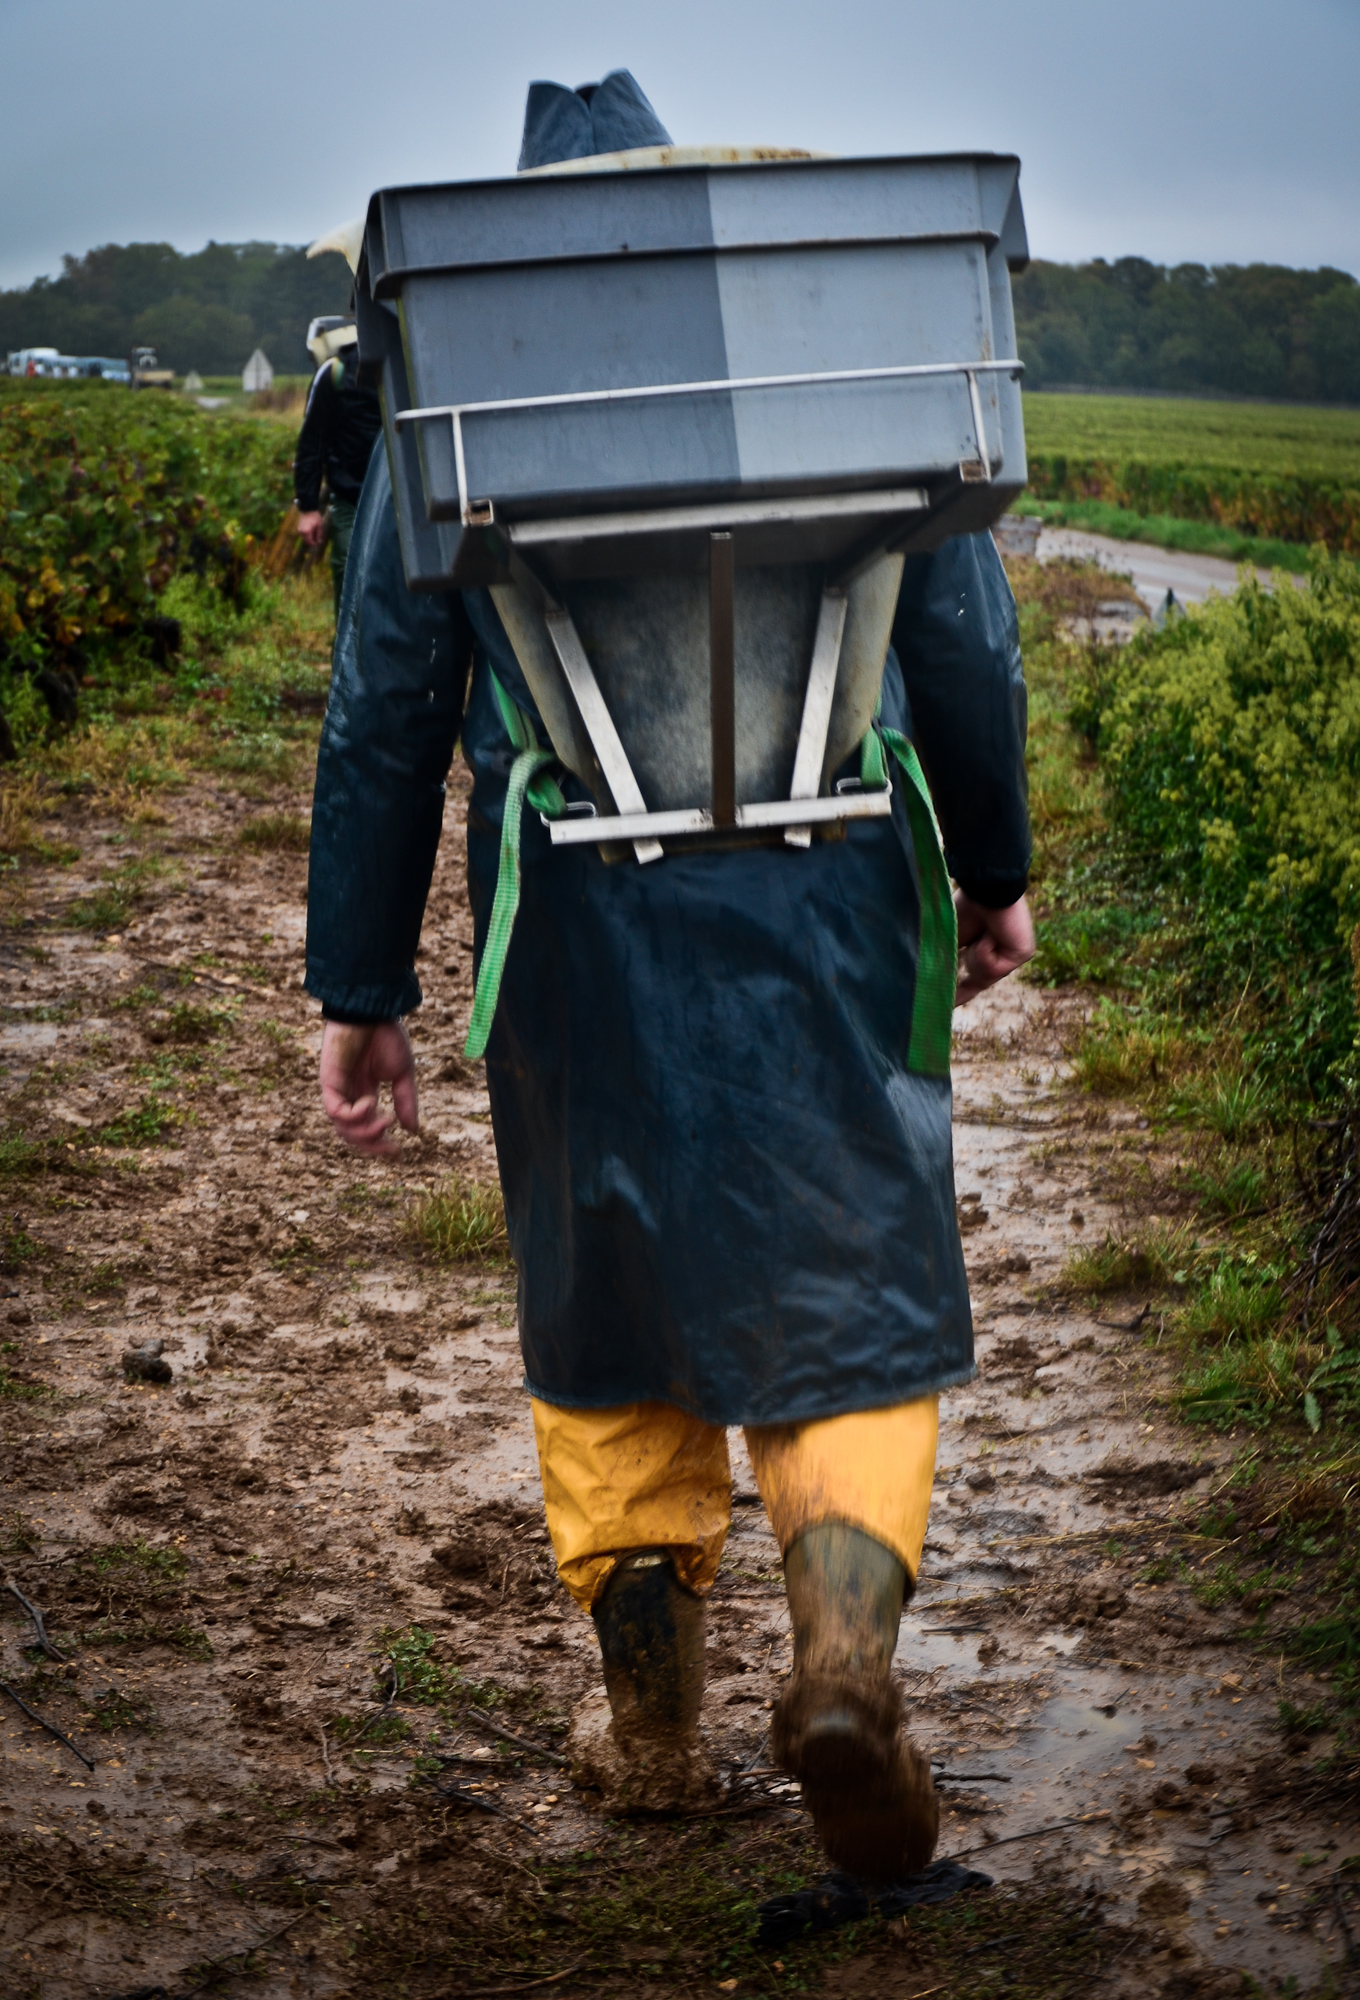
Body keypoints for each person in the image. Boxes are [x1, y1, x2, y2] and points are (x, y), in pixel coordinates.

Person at [305, 71, 1034, 1881]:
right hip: (837, 874)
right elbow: (954, 620)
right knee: (849, 1278)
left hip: (573, 905)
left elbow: (387, 701)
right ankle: (845, 1666)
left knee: (606, 1280)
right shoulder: (833, 343)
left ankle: (649, 1734)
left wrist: (361, 981)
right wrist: (1001, 867)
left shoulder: (461, 368)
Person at [293, 317, 382, 615]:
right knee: (351, 591)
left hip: (413, 503)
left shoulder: (417, 362)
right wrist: (308, 508)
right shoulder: (335, 374)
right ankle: (349, 660)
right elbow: (312, 443)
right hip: (352, 501)